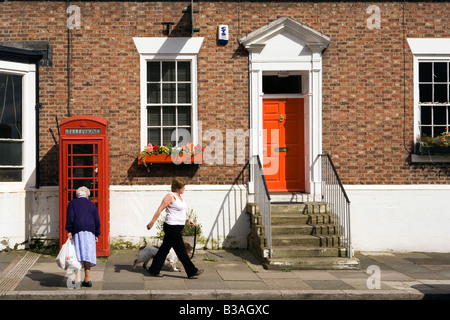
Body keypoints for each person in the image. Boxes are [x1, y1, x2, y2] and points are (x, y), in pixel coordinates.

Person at [146, 177, 203, 278]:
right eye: (182, 186)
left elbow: (180, 212)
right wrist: (152, 222)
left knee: (164, 249)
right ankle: (191, 271)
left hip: (177, 227)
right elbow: (160, 210)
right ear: (177, 187)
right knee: (181, 250)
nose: (184, 188)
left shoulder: (180, 196)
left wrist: (188, 219)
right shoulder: (170, 196)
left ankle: (154, 269)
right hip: (171, 227)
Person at [65, 186, 101, 287]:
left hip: (77, 230)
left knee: (77, 254)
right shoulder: (92, 204)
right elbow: (97, 220)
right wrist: (97, 233)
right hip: (90, 231)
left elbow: (70, 218)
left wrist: (69, 230)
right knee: (87, 254)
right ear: (87, 195)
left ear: (77, 194)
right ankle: (87, 279)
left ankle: (77, 279)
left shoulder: (72, 203)